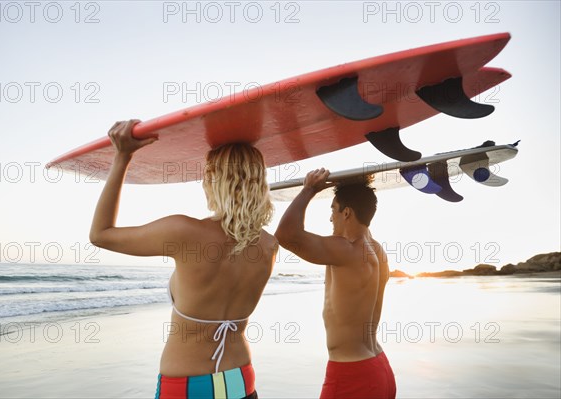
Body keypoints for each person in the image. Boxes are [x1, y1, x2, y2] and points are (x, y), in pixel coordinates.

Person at [89, 120, 278, 399]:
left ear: (213, 179)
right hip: (240, 379)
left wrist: (123, 157)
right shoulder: (269, 245)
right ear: (259, 182)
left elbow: (101, 234)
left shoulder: (184, 233)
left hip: (188, 386)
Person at [275, 168, 396, 399]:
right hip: (379, 368)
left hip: (352, 375)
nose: (331, 218)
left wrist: (309, 189)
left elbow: (286, 235)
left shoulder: (346, 250)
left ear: (347, 213)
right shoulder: (377, 251)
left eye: (333, 210)